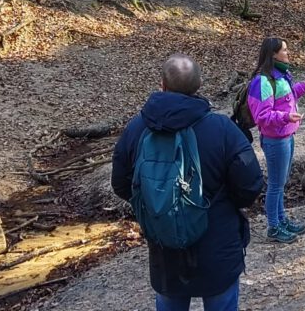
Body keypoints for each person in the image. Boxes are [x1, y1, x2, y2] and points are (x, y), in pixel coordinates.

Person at [111, 54, 264, 311]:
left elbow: (120, 184)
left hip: (164, 246)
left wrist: (156, 204)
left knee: (169, 300)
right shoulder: (223, 128)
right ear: (199, 84)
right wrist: (222, 206)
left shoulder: (137, 128)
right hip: (218, 243)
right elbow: (251, 185)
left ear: (162, 84)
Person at [247, 37, 305, 244]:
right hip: (275, 140)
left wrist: (303, 87)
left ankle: (282, 219)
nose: (288, 53)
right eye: (285, 50)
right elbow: (262, 117)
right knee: (276, 185)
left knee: (282, 182)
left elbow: (286, 99)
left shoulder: (281, 76)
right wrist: (285, 117)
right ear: (273, 54)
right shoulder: (262, 81)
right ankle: (273, 226)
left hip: (287, 136)